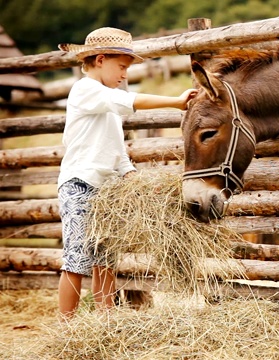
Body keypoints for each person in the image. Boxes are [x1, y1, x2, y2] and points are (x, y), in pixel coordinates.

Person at [56, 27, 197, 318]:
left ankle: (106, 321)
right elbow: (128, 102)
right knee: (77, 259)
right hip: (80, 185)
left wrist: (136, 179)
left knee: (106, 258)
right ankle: (65, 328)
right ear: (100, 60)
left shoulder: (107, 101)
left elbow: (118, 154)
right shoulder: (85, 91)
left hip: (107, 190)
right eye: (121, 67)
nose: (124, 75)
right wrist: (175, 101)